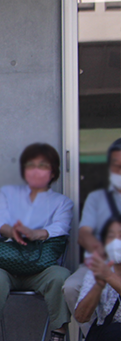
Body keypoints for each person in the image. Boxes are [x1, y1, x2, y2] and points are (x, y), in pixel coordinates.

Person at [0, 143, 73, 341]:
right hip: (5, 265)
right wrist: (13, 231)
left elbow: (62, 227)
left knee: (62, 276)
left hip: (40, 268)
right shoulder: (8, 194)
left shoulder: (62, 203)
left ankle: (57, 339)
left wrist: (38, 233)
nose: (36, 171)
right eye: (31, 166)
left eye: (43, 166)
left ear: (54, 172)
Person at [63, 138, 121, 331]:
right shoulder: (97, 198)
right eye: (116, 166)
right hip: (99, 261)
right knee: (72, 287)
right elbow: (84, 235)